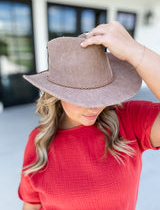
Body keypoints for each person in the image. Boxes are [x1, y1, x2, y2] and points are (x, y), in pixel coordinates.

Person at [18, 21, 160, 210]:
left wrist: (136, 52)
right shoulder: (39, 141)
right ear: (57, 94)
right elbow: (31, 206)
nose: (94, 106)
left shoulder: (129, 120)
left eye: (101, 92)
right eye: (81, 96)